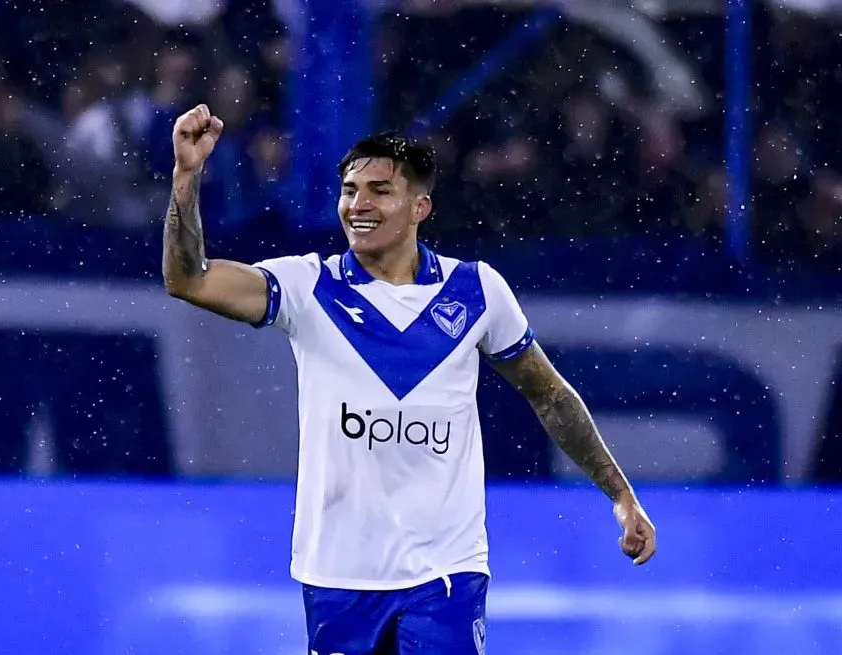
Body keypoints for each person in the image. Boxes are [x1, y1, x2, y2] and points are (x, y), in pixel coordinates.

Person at [162, 104, 657, 655]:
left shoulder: (478, 292)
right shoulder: (306, 287)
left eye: (379, 190)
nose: (359, 205)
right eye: (349, 190)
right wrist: (187, 176)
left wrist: (620, 495)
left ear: (420, 206)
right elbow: (188, 280)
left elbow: (549, 394)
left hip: (445, 573)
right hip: (337, 573)